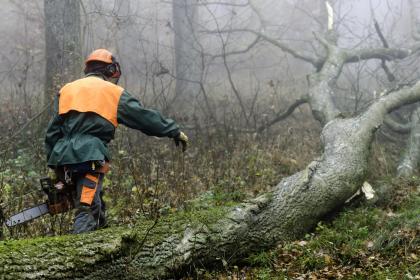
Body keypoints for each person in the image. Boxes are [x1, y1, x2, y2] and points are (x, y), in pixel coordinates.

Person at [45, 49, 188, 234]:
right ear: (110, 69)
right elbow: (144, 117)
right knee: (87, 208)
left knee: (95, 201)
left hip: (63, 155)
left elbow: (52, 131)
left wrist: (54, 164)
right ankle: (77, 252)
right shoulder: (113, 93)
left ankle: (104, 239)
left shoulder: (67, 89)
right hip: (90, 155)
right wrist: (173, 130)